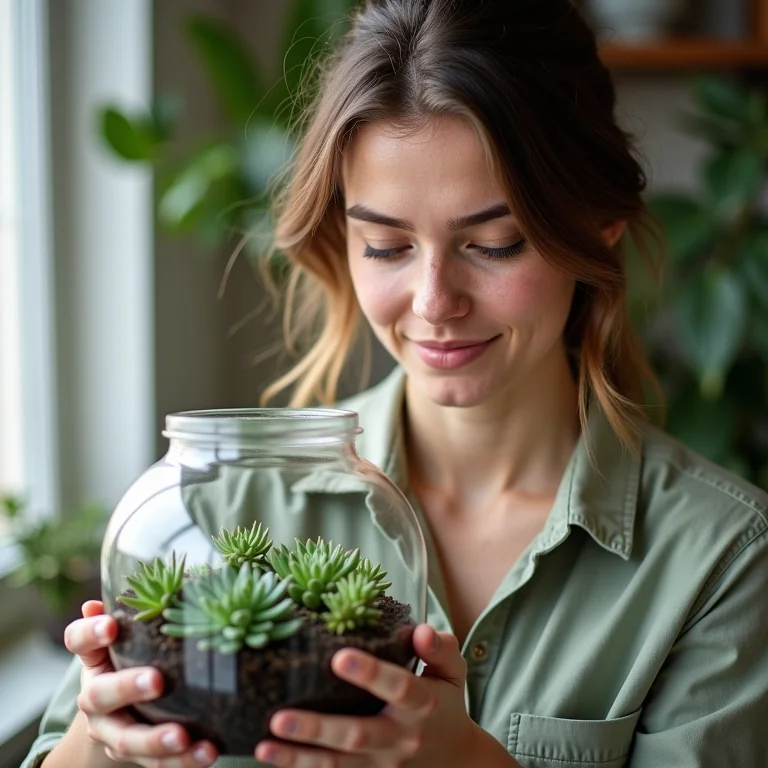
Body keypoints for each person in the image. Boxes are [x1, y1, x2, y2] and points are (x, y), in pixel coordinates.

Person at [22, 0, 768, 766]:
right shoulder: (220, 502)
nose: (435, 302)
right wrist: (104, 737)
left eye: (495, 244)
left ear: (597, 232)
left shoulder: (722, 558)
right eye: (386, 246)